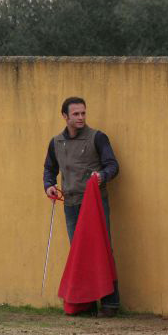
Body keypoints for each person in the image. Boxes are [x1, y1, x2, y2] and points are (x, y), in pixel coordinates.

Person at [43, 96, 120, 317]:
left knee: (102, 249)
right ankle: (86, 303)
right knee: (79, 253)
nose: (81, 118)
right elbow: (49, 168)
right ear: (65, 116)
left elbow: (113, 165)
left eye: (83, 113)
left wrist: (102, 176)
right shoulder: (56, 142)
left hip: (94, 203)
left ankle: (110, 303)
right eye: (76, 114)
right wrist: (48, 185)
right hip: (71, 203)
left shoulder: (98, 138)